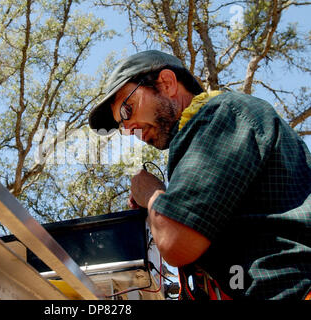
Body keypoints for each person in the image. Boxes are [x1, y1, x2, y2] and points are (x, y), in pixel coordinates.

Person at [88, 50, 311, 300]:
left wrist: (150, 193)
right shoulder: (203, 137)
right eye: (121, 125)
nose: (128, 130)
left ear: (167, 83)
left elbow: (176, 241)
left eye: (127, 111)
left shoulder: (221, 115)